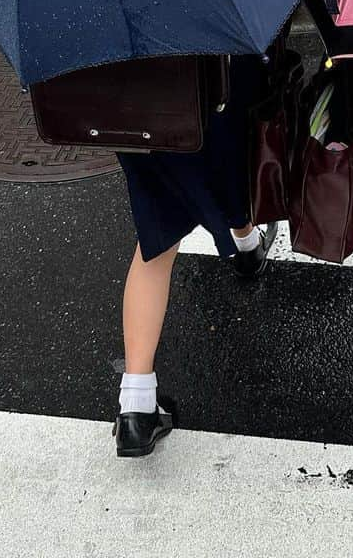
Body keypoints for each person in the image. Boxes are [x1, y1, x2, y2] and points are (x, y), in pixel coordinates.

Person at [112, 55, 277, 458]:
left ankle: (135, 408)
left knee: (156, 241)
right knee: (233, 174)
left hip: (129, 100)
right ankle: (245, 242)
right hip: (207, 90)